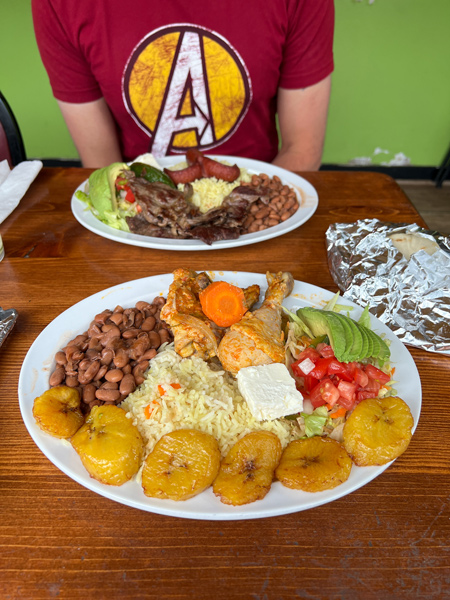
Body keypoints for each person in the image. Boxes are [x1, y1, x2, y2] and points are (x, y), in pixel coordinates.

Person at [32, 0, 334, 170]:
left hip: (262, 193)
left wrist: (251, 211)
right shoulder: (59, 5)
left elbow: (303, 148)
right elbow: (102, 163)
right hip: (140, 207)